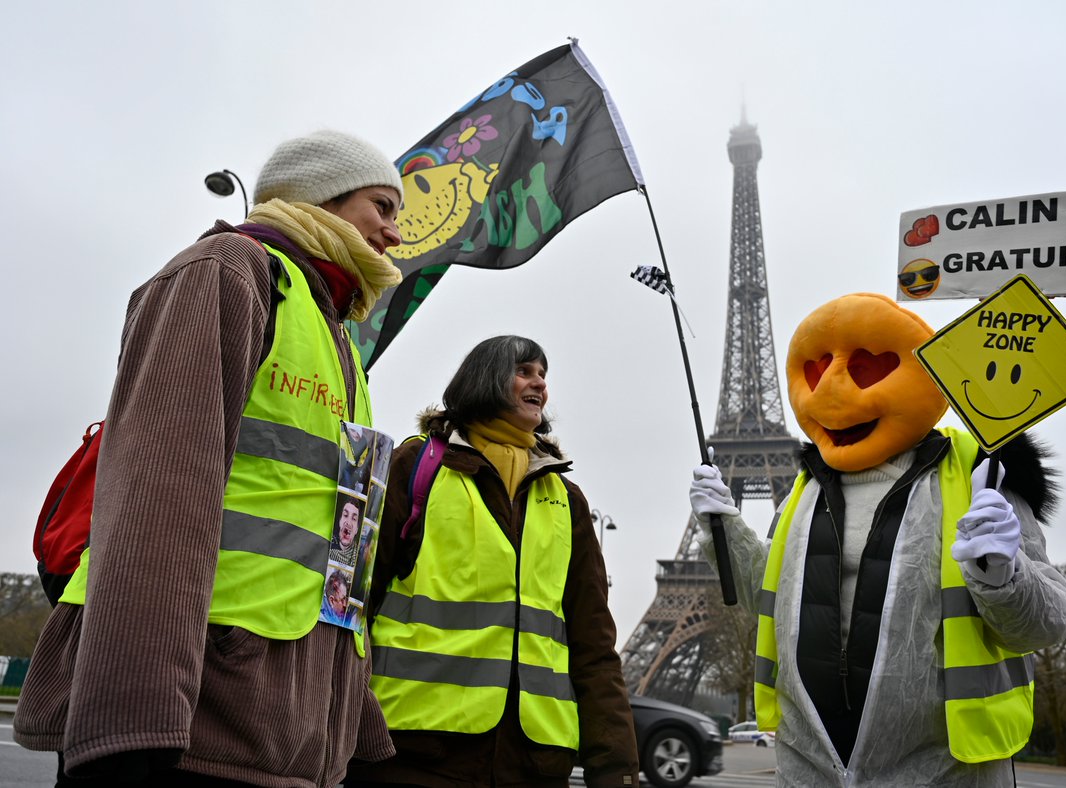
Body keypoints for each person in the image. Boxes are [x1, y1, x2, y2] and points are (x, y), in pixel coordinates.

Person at [14, 130, 407, 786]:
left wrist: (353, 726)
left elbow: (345, 556)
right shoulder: (230, 268)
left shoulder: (341, 341)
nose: (396, 234)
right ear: (321, 197)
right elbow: (157, 494)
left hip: (278, 725)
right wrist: (135, 720)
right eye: (382, 206)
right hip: (189, 716)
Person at [688, 293, 1066, 786]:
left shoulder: (978, 479)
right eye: (817, 369)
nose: (832, 386)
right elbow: (769, 599)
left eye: (868, 367)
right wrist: (723, 526)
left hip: (943, 769)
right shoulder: (803, 492)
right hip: (809, 767)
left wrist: (1004, 573)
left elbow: (1045, 625)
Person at [345, 335, 639, 788]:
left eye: (543, 375)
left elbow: (594, 646)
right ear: (484, 378)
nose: (538, 382)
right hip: (416, 754)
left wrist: (617, 771)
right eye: (524, 370)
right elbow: (353, 602)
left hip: (533, 762)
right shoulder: (414, 467)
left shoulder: (566, 499)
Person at [333, 498, 364, 565]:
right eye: (345, 515)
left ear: (356, 530)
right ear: (340, 521)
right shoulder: (328, 547)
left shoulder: (360, 562)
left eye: (354, 519)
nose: (349, 523)